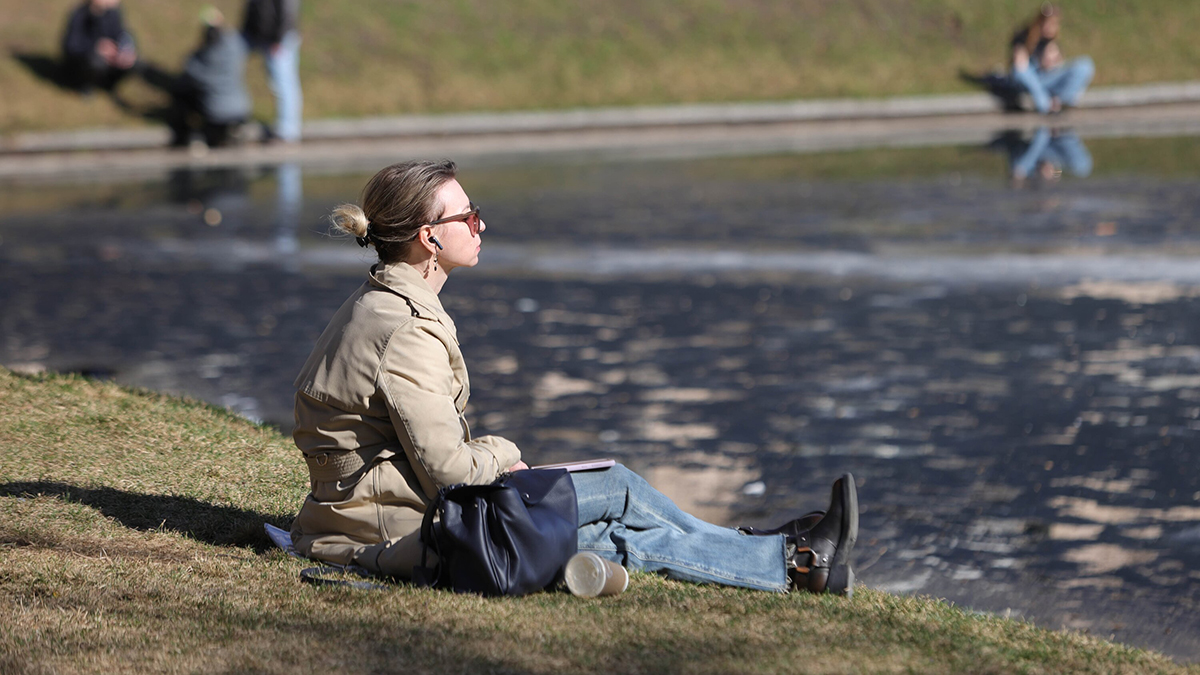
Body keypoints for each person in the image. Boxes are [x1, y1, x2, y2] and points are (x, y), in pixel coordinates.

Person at [288, 160, 860, 595]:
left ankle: (781, 551)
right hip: (401, 530)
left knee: (615, 489)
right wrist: (506, 453)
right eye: (467, 216)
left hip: (395, 514)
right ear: (429, 236)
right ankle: (795, 560)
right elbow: (449, 475)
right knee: (612, 519)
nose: (481, 223)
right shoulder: (405, 331)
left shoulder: (385, 302)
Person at [168, 8, 251, 148]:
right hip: (241, 107)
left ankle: (186, 135)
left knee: (181, 94)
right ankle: (232, 131)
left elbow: (188, 75)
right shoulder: (235, 46)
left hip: (216, 112)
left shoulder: (202, 57)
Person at [1009, 4, 1094, 114]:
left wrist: (1053, 63)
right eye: (1047, 23)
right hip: (1032, 81)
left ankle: (1061, 101)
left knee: (1085, 65)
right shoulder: (1024, 36)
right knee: (1020, 70)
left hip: (1049, 79)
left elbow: (1060, 65)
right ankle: (1044, 104)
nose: (1050, 27)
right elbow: (1019, 65)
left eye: (1054, 24)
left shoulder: (1052, 41)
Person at [241, 0, 302, 143]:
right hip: (265, 36)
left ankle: (288, 131)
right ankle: (287, 129)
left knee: (285, 84)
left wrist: (278, 38)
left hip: (278, 38)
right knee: (282, 83)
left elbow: (287, 10)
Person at [60, 0, 138, 94]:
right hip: (81, 63)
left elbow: (122, 34)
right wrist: (96, 47)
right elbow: (71, 46)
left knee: (135, 62)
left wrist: (124, 50)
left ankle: (108, 84)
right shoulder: (81, 14)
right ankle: (83, 85)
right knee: (96, 62)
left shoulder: (113, 14)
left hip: (107, 63)